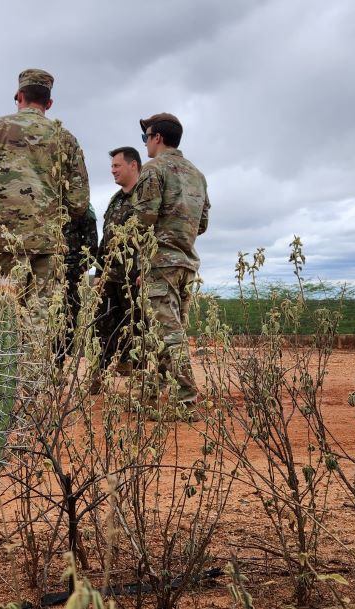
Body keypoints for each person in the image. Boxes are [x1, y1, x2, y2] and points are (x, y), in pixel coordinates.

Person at [0, 68, 89, 326]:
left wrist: (3, 196)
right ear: (49, 103)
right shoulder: (65, 138)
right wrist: (47, 203)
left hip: (2, 241)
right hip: (47, 243)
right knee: (40, 322)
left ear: (19, 96)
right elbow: (78, 201)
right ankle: (37, 367)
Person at [132, 113, 210, 408]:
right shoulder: (196, 174)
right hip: (186, 263)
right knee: (168, 331)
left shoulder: (153, 169)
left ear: (157, 138)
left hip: (161, 261)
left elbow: (145, 217)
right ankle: (153, 395)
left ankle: (187, 400)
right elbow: (202, 224)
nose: (146, 144)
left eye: (146, 138)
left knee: (168, 334)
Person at [94, 146, 143, 383]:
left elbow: (151, 236)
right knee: (101, 327)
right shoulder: (116, 199)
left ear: (133, 165)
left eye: (117, 166)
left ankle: (141, 382)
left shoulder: (145, 196)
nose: (112, 171)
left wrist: (144, 270)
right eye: (112, 166)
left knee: (136, 328)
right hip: (110, 276)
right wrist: (98, 273)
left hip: (133, 277)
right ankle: (98, 378)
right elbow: (105, 239)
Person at [58, 201, 98, 364]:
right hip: (43, 269)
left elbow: (92, 246)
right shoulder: (46, 199)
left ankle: (61, 365)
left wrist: (76, 270)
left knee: (67, 317)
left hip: (70, 273)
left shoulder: (82, 205)